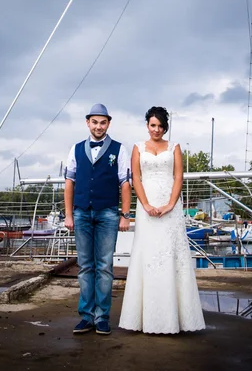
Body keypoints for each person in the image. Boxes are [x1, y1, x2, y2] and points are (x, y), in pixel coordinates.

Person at [119, 106, 205, 334]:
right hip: (146, 207)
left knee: (172, 255)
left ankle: (175, 317)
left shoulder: (174, 147)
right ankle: (143, 317)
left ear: (165, 127)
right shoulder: (137, 147)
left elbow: (178, 176)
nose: (156, 129)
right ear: (147, 125)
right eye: (152, 125)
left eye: (160, 126)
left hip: (170, 207)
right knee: (146, 255)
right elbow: (135, 177)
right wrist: (145, 204)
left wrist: (170, 204)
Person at [64, 103, 131, 336]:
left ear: (108, 124)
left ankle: (102, 317)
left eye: (103, 122)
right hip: (81, 212)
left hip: (108, 213)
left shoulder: (120, 149)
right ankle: (86, 316)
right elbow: (69, 183)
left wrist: (125, 215)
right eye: (95, 122)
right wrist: (69, 214)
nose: (99, 126)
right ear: (87, 123)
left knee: (104, 266)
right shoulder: (75, 149)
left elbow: (125, 183)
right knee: (85, 266)